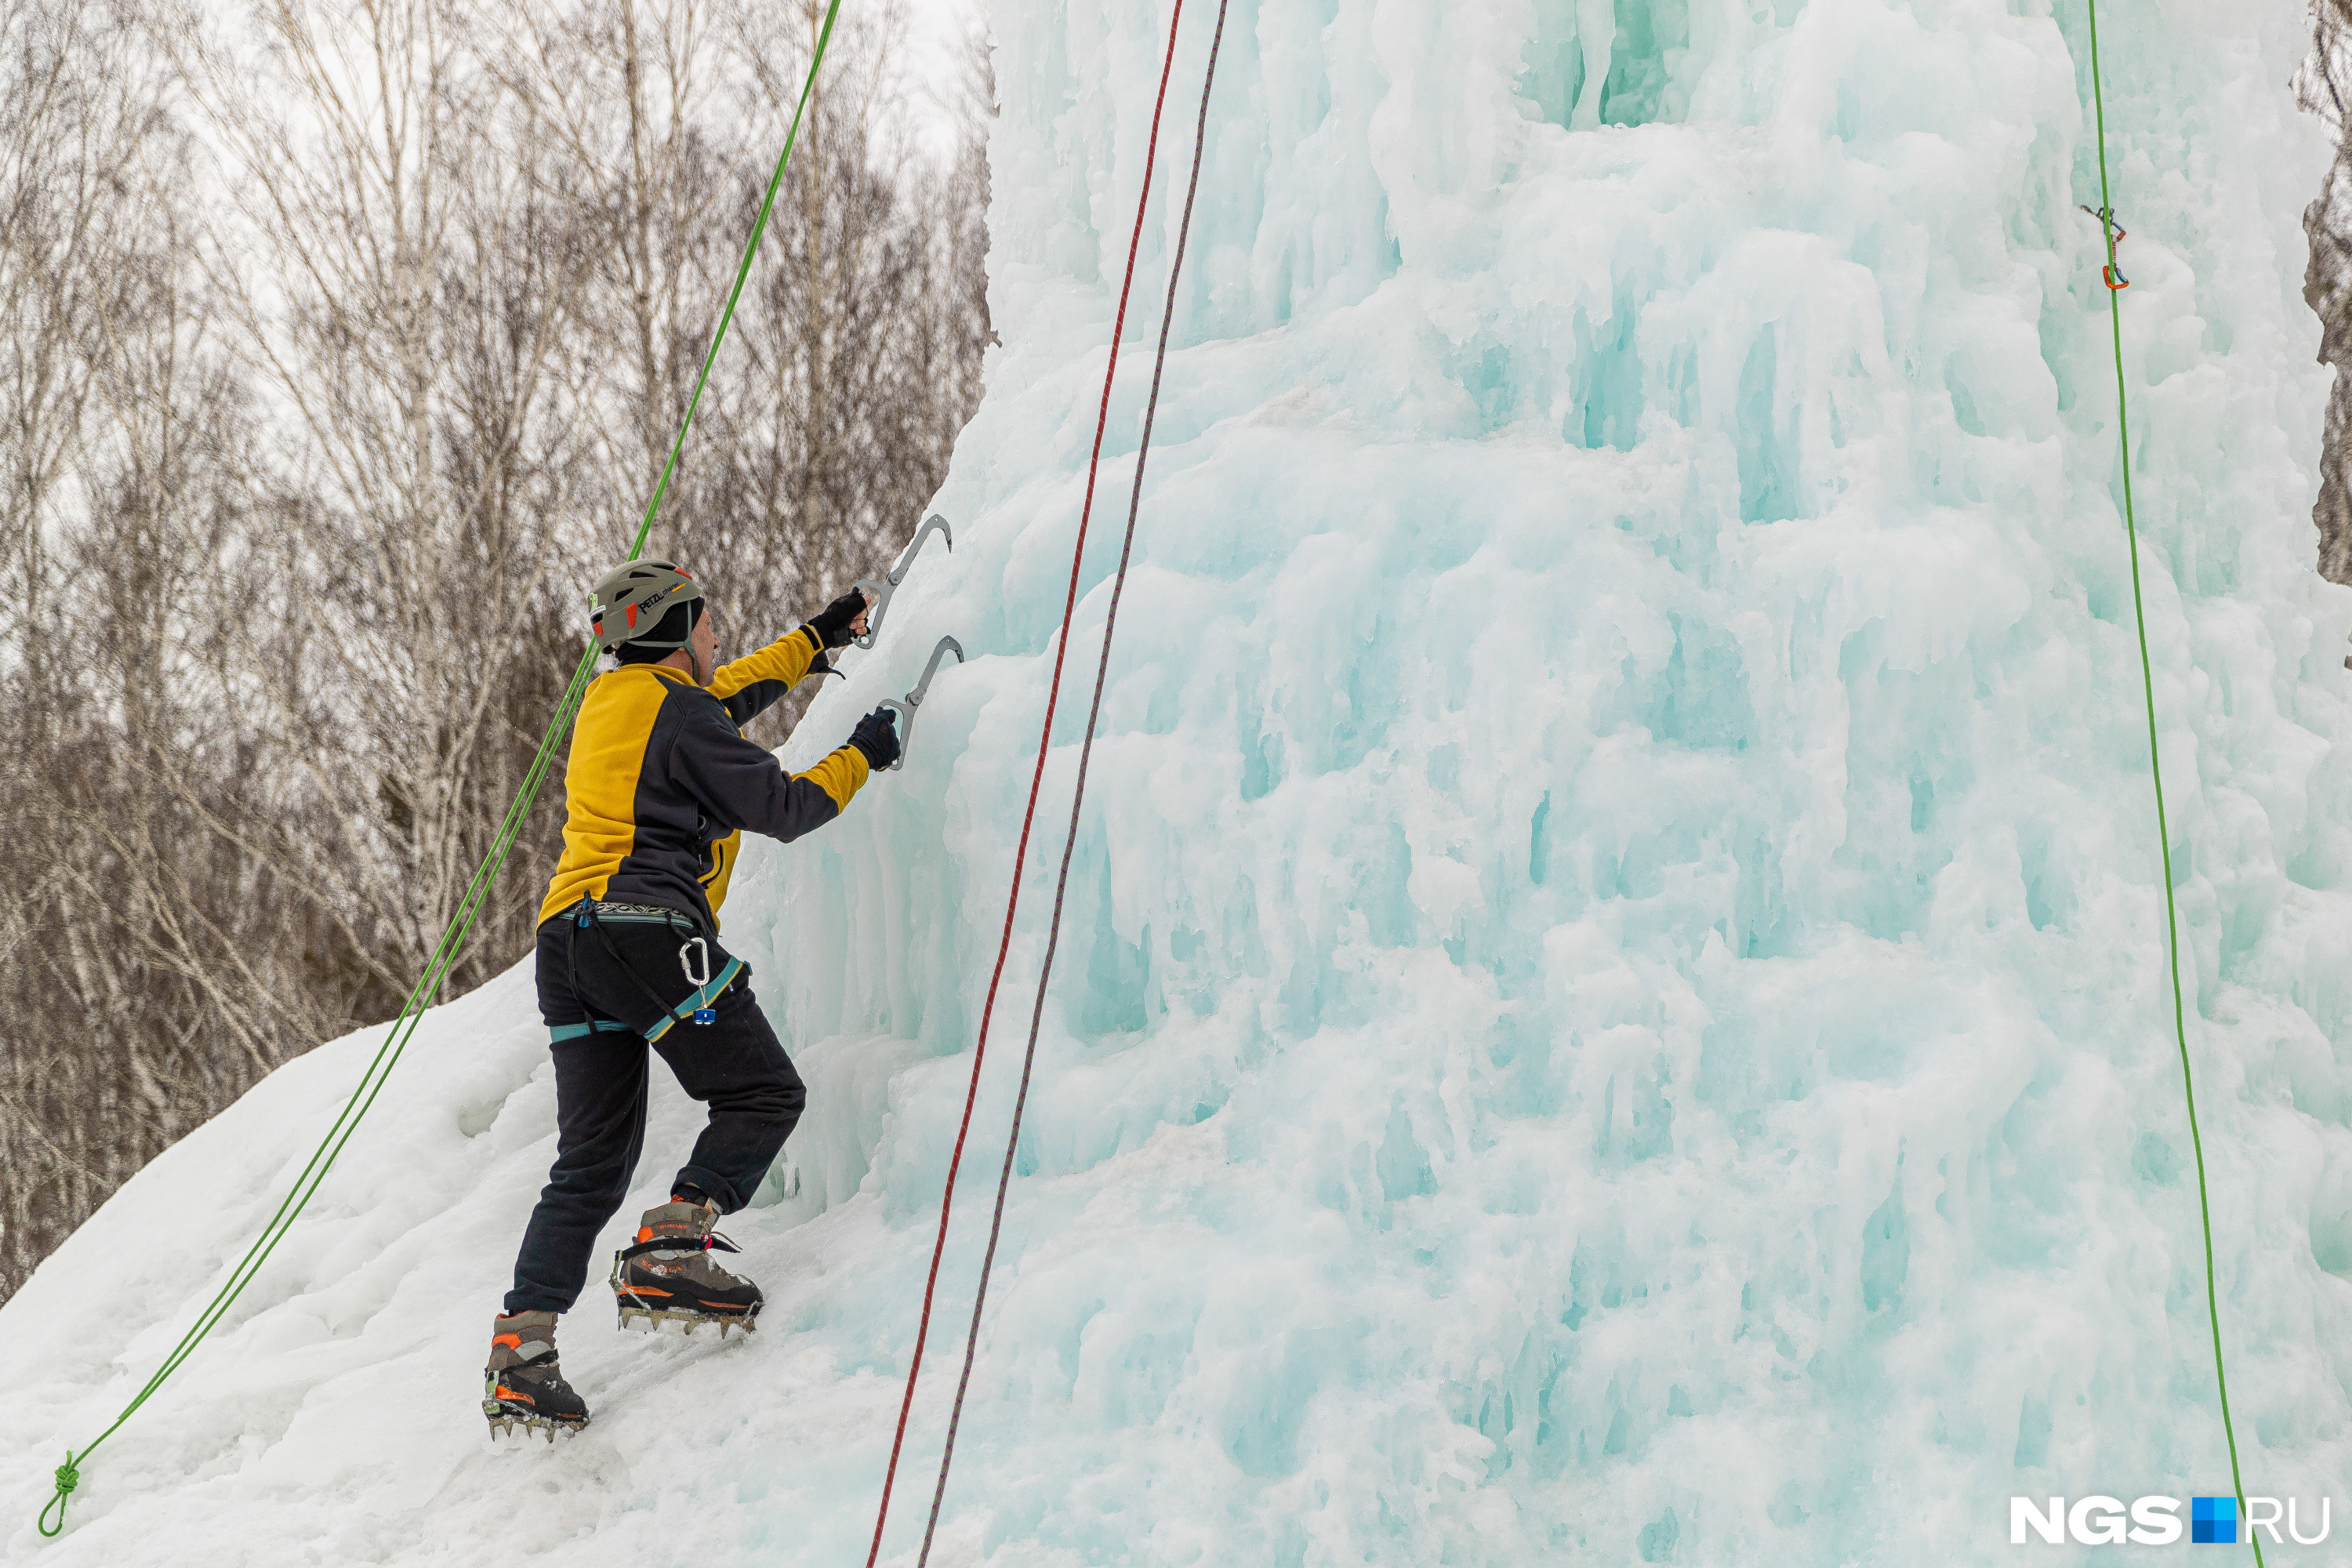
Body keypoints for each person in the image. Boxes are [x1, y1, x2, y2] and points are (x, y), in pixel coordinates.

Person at [483, 559, 901, 1440]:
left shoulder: (621, 703)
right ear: (675, 634)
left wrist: (819, 639)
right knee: (763, 1091)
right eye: (709, 622)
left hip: (566, 940)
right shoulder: (677, 710)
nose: (720, 635)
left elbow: (732, 692)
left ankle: (522, 1347)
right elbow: (780, 806)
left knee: (592, 1156)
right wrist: (865, 751)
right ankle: (673, 1245)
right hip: (639, 923)